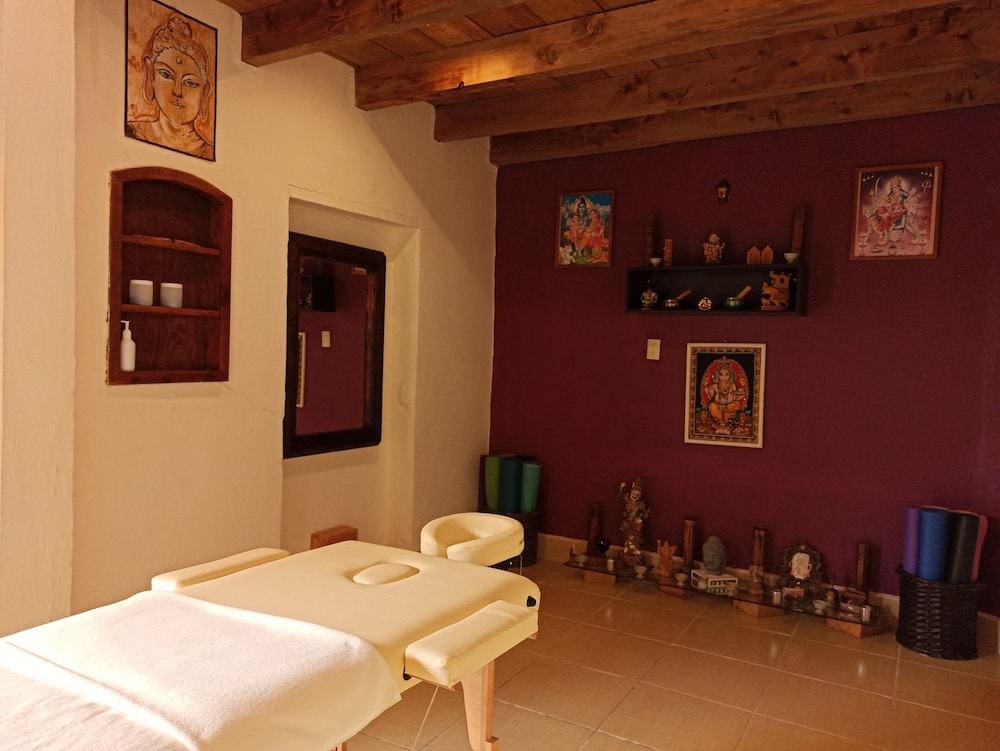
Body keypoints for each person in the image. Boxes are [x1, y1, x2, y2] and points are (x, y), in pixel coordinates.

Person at [127, 15, 214, 159]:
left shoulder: (208, 152)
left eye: (190, 83)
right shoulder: (133, 131)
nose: (177, 91)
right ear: (150, 75)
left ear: (204, 93)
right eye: (166, 75)